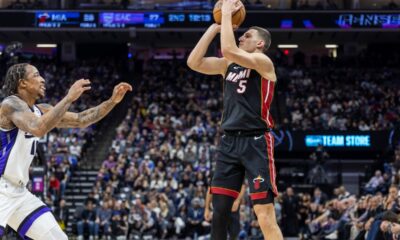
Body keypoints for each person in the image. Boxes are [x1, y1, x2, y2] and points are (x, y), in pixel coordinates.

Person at [0, 63, 132, 240]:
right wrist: (69, 98)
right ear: (22, 83)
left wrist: (112, 101)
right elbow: (37, 128)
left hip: (19, 193)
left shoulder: (43, 110)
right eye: (37, 75)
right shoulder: (10, 104)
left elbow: (81, 119)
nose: (43, 79)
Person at [187, 0, 283, 239]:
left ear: (259, 43)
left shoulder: (263, 62)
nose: (241, 37)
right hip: (229, 142)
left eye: (247, 36)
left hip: (256, 142)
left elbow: (229, 49)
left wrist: (228, 15)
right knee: (219, 212)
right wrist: (215, 26)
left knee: (264, 213)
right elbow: (194, 62)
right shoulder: (229, 65)